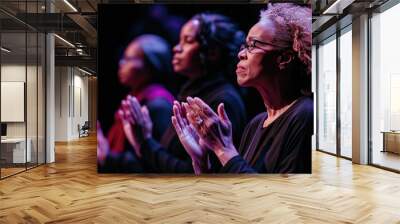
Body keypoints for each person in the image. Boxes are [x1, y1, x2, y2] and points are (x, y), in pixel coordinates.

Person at [172, 3, 313, 174]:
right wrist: (202, 163)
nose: (241, 54)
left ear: (283, 59)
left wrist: (223, 149)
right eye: (244, 45)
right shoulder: (255, 124)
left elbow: (280, 197)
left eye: (253, 45)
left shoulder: (305, 115)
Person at [120, 13, 247, 173]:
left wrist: (145, 144)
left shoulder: (222, 102)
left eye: (187, 41)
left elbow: (194, 173)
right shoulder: (193, 93)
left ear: (212, 53)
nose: (176, 48)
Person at [98, 34, 174, 172]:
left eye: (129, 59)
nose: (121, 63)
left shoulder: (159, 105)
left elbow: (157, 163)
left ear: (150, 66)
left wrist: (108, 158)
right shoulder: (136, 98)